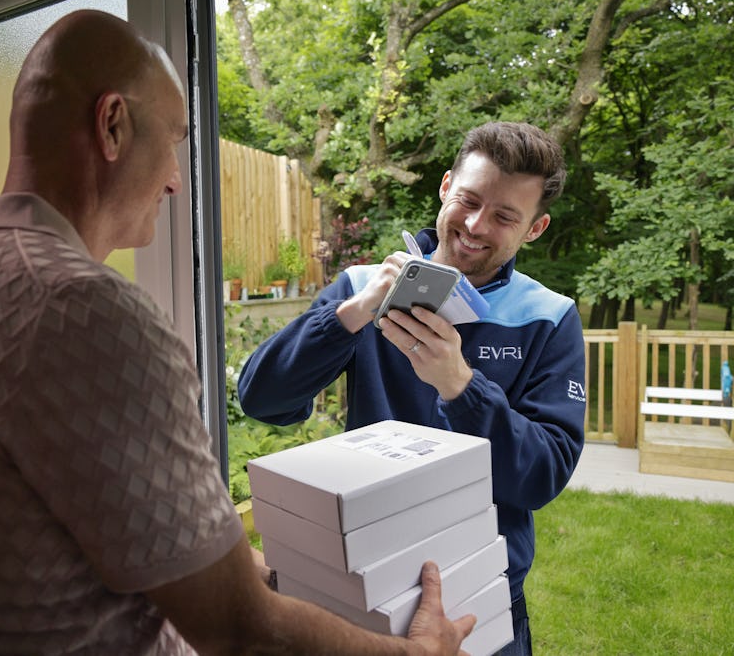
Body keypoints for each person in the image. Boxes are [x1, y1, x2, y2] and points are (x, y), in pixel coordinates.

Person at [0, 9, 475, 655]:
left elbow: (100, 525)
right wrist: (419, 652)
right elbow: (237, 629)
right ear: (112, 124)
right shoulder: (83, 311)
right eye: (172, 141)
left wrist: (260, 571)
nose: (175, 179)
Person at [238, 122, 587, 656]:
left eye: (504, 216)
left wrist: (460, 386)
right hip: (356, 585)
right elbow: (263, 399)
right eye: (469, 200)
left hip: (480, 595)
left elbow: (543, 475)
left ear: (535, 228)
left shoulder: (549, 317)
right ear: (445, 187)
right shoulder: (360, 287)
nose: (475, 225)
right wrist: (353, 314)